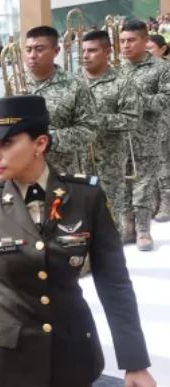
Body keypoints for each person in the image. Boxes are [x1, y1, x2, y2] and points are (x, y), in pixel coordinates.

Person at [0, 95, 156, 387]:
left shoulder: (85, 197)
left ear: (40, 143)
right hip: (7, 359)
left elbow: (115, 283)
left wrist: (135, 360)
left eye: (6, 142)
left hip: (72, 352)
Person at [80, 31, 143, 239]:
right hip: (78, 162)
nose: (86, 55)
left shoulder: (122, 83)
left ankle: (110, 260)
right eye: (83, 51)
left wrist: (98, 119)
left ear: (107, 52)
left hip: (110, 161)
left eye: (92, 50)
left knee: (109, 215)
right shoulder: (73, 82)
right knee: (79, 213)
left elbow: (132, 119)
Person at [119, 20, 170, 250]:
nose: (126, 46)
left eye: (131, 40)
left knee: (144, 184)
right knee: (122, 184)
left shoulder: (160, 68)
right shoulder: (115, 69)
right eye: (122, 41)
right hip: (118, 138)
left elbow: (165, 100)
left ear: (145, 40)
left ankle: (143, 231)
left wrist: (138, 101)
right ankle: (127, 227)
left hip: (148, 136)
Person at [22, 26, 99, 174]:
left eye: (39, 49)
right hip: (24, 171)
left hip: (62, 173)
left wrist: (50, 139)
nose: (32, 55)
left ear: (56, 51)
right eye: (28, 49)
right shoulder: (16, 84)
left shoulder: (75, 85)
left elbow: (89, 131)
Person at [146, 34, 170, 222]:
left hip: (163, 122)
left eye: (151, 49)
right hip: (145, 126)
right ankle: (153, 201)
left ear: (163, 49)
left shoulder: (165, 69)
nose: (147, 53)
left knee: (163, 163)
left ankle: (166, 203)